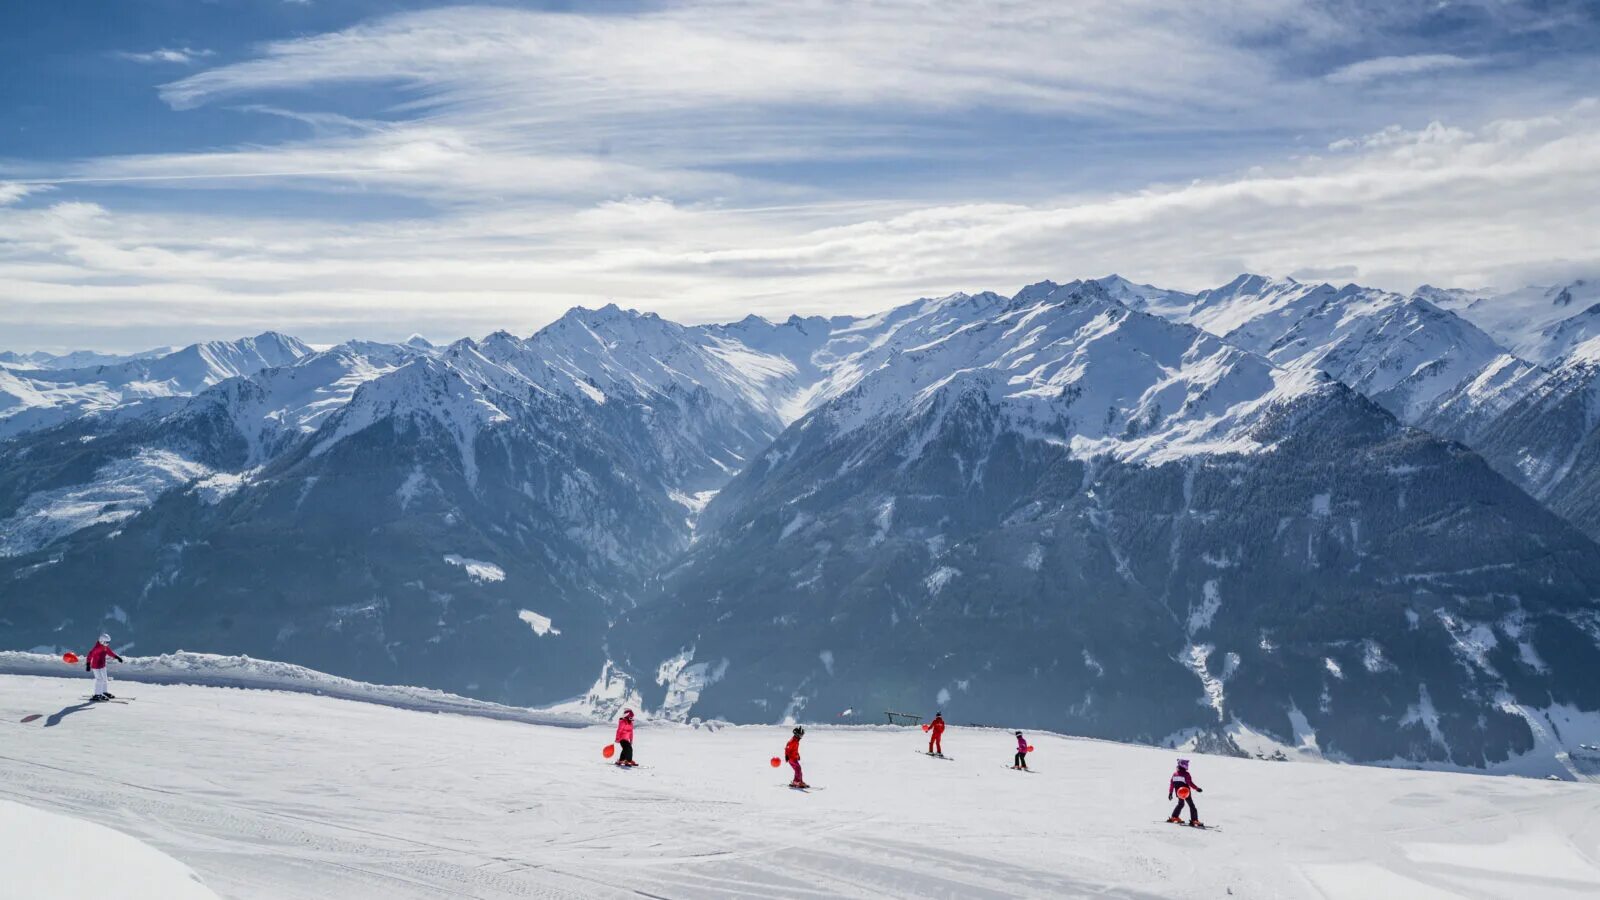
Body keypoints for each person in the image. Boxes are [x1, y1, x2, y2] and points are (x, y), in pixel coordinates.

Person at [86, 634, 124, 702]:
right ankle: (97, 695)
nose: (108, 644)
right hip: (96, 666)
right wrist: (88, 664)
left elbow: (109, 652)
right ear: (102, 641)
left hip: (102, 665)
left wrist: (117, 657)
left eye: (108, 642)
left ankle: (104, 692)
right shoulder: (97, 648)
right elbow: (90, 655)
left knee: (105, 679)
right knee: (99, 679)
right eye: (107, 642)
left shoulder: (104, 646)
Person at [1167, 758, 1203, 826]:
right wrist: (1197, 788)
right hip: (1186, 792)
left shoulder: (1175, 774)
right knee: (1192, 806)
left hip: (1178, 793)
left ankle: (1174, 817)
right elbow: (1190, 783)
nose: (1187, 765)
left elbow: (1172, 784)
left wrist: (1170, 793)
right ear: (1183, 765)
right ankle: (1194, 820)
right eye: (1186, 764)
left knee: (1181, 804)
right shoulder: (1186, 774)